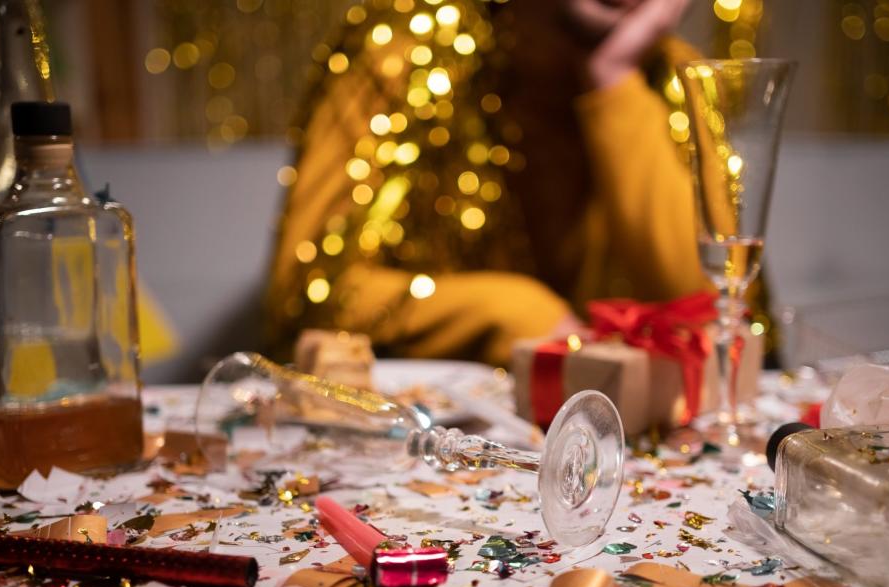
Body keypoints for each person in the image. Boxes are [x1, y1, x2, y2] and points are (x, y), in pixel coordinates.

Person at [264, 0, 757, 365]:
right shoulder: (404, 51)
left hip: (612, 433)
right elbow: (311, 291)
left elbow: (713, 307)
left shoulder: (671, 74)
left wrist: (612, 77)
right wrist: (518, 316)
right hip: (438, 435)